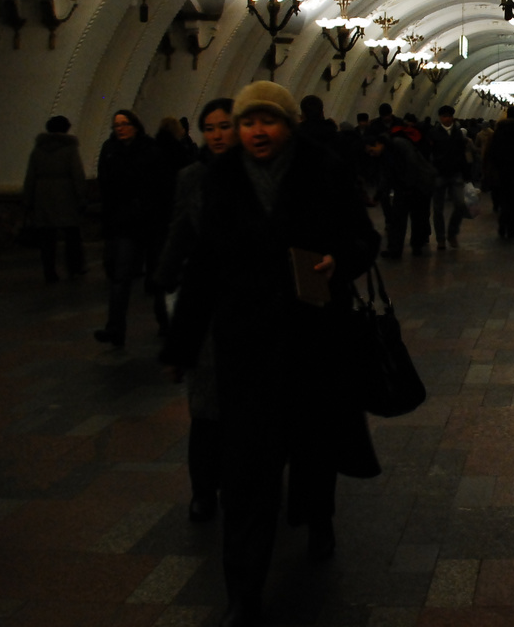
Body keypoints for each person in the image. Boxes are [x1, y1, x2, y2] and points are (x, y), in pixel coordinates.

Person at [162, 82, 381, 627]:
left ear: (288, 125)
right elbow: (205, 266)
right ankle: (243, 591)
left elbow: (362, 238)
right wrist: (182, 343)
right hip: (247, 348)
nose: (256, 132)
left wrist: (340, 260)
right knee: (247, 474)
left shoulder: (323, 170)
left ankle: (320, 517)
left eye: (268, 122)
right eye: (247, 123)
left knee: (314, 447)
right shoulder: (222, 178)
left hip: (313, 339)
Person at [153, 98, 235, 525]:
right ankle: (203, 491)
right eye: (210, 128)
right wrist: (163, 280)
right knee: (206, 408)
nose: (218, 135)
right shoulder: (193, 178)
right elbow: (180, 231)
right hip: (206, 306)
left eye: (225, 126)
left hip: (251, 309)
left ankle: (248, 483)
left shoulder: (257, 175)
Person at [94, 109, 169, 347]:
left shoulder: (151, 150)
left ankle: (166, 322)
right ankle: (115, 328)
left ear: (135, 126)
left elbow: (162, 186)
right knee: (121, 277)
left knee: (158, 275)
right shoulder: (110, 151)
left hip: (151, 222)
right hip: (124, 224)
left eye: (125, 124)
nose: (120, 128)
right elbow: (105, 186)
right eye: (117, 125)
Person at [22, 115, 88, 282]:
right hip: (66, 195)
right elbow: (77, 174)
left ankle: (49, 271)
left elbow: (30, 177)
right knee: (71, 234)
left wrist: (28, 200)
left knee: (47, 237)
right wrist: (82, 197)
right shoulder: (70, 149)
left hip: (43, 195)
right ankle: (74, 267)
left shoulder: (38, 150)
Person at [365, 125, 437, 258]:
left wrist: (408, 187)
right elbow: (385, 178)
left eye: (371, 150)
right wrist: (377, 197)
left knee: (418, 216)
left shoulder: (399, 143)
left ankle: (417, 246)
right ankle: (395, 249)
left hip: (420, 184)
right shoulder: (384, 155)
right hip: (404, 187)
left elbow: (413, 164)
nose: (371, 154)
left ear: (378, 144)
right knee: (397, 218)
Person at [484, 107, 514, 241]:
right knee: (513, 199)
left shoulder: (498, 130)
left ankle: (502, 225)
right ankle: (511, 227)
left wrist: (491, 167)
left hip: (501, 169)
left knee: (504, 197)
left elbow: (492, 150)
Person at [428, 105, 471, 250]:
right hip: (439, 174)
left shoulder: (458, 133)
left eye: (449, 116)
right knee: (438, 208)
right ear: (440, 118)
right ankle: (440, 238)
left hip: (456, 173)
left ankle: (452, 233)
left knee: (460, 204)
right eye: (444, 116)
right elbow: (429, 154)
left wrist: (466, 173)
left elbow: (462, 153)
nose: (447, 118)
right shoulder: (433, 133)